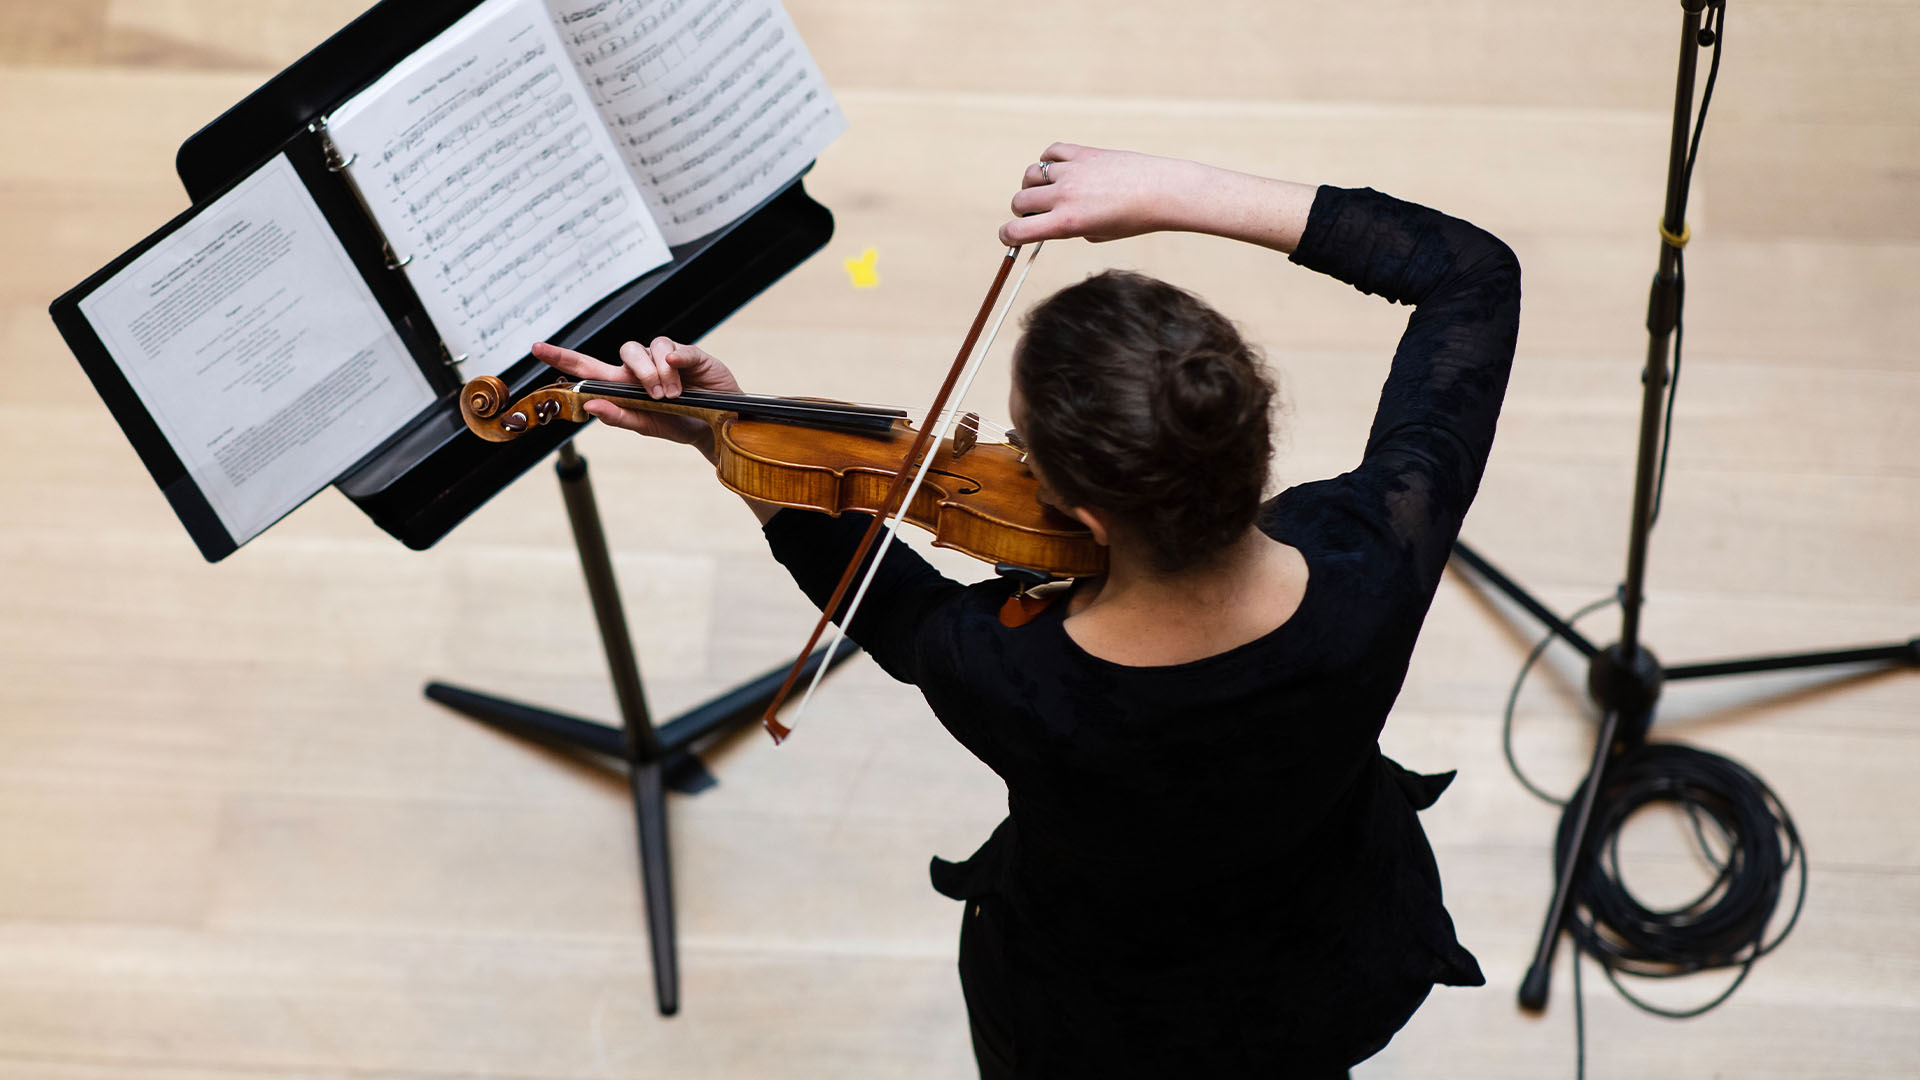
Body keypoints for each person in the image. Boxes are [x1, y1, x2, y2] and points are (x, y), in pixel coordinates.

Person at [534, 143, 1521, 1078]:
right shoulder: (1375, 555)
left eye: (1019, 445)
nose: (998, 459)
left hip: (1092, 1022)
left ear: (1086, 513)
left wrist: (729, 436)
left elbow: (882, 594)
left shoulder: (1009, 672)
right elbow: (1472, 273)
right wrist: (1171, 190)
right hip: (1323, 963)